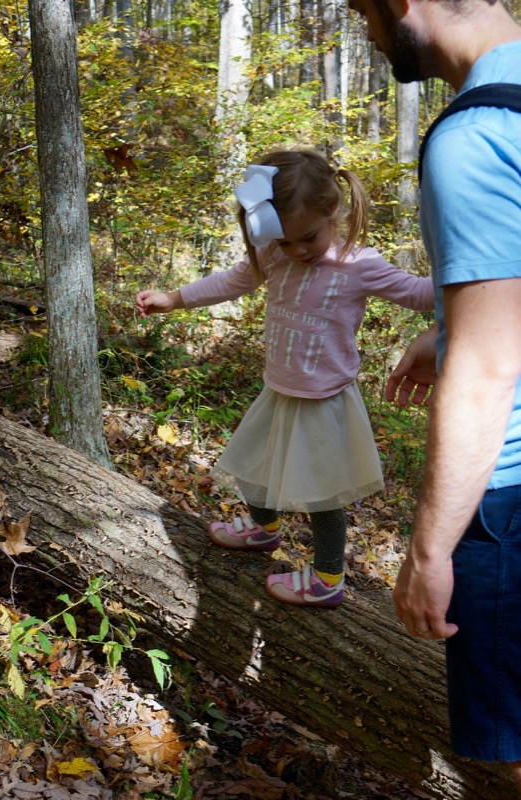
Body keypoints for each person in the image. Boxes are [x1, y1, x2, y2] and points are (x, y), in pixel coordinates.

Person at [136, 149, 434, 608]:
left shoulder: (360, 264)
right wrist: (174, 298)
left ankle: (328, 576)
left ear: (333, 209)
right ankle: (264, 528)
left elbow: (418, 294)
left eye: (307, 238)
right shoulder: (273, 251)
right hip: (280, 387)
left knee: (321, 495)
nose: (297, 251)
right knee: (254, 462)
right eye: (286, 242)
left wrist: (476, 278)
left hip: (325, 399)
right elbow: (235, 280)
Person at [349, 0, 521, 787]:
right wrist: (451, 325)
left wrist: (428, 551)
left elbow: (487, 373)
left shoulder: (472, 138)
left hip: (508, 505)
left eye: (362, 11)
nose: (365, 31)